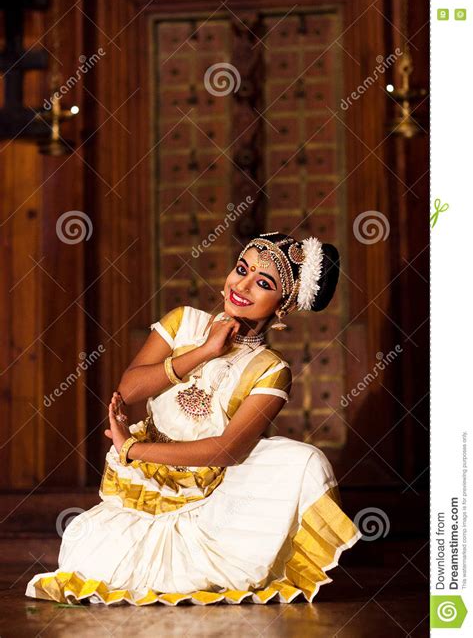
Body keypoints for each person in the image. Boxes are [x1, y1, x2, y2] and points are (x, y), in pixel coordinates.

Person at [25, 231, 361, 606]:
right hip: (146, 487)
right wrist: (204, 351)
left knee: (304, 461)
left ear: (283, 305)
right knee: (86, 555)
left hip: (211, 494)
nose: (243, 285)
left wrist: (134, 448)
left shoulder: (271, 369)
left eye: (263, 283)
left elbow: (227, 451)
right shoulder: (183, 322)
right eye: (241, 269)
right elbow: (131, 389)